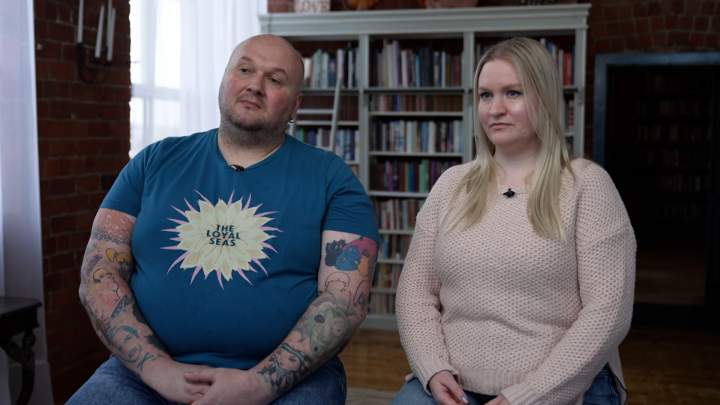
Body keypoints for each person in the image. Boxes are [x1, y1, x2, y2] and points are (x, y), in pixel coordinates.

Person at [69, 34, 379, 405]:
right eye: (244, 70)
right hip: (144, 372)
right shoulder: (152, 163)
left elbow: (345, 300)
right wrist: (156, 368)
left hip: (291, 379)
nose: (255, 85)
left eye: (275, 79)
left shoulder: (334, 180)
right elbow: (99, 273)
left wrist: (260, 384)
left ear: (295, 105)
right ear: (224, 81)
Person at [392, 37, 636, 405]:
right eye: (485, 95)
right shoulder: (451, 184)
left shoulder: (587, 185)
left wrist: (530, 394)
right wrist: (432, 367)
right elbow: (414, 292)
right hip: (454, 383)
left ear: (544, 98)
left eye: (513, 93)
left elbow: (608, 312)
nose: (495, 109)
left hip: (560, 387)